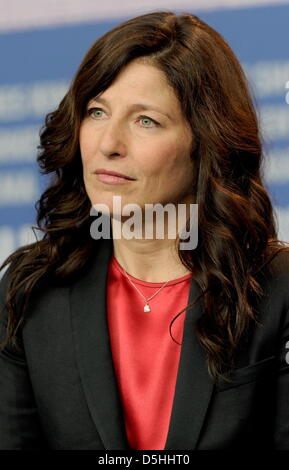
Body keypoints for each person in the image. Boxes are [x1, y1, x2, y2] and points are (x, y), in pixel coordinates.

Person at [0, 10, 289, 451]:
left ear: (206, 142)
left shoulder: (280, 287)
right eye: (96, 112)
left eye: (145, 120)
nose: (108, 144)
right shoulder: (32, 287)